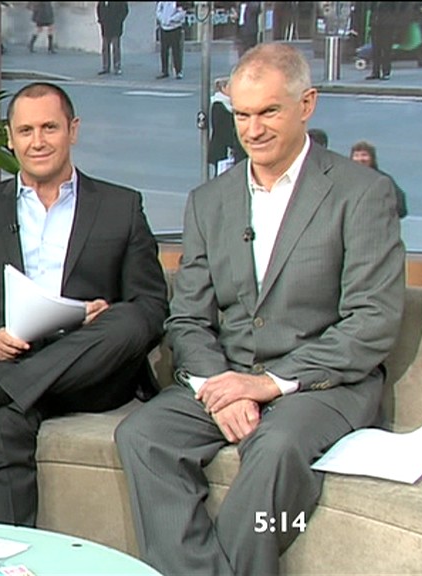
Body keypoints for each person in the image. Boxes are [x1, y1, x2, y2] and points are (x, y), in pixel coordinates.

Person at [116, 42, 406, 575]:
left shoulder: (362, 193)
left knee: (274, 448)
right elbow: (189, 318)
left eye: (269, 112)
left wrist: (267, 384)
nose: (253, 130)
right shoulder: (210, 200)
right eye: (242, 115)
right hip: (228, 374)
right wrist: (217, 385)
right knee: (144, 435)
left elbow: (372, 321)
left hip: (323, 386)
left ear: (307, 104)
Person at [0, 81, 170, 527]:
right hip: (8, 358)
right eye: (26, 130)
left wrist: (100, 317)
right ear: (10, 138)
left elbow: (151, 306)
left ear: (73, 130)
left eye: (50, 127)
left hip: (91, 370)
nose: (38, 141)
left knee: (128, 317)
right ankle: (14, 557)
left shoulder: (121, 206)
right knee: (3, 419)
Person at [350, 140, 408, 218]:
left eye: (364, 155)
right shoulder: (345, 179)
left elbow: (401, 209)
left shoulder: (383, 180)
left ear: (372, 158)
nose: (360, 159)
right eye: (356, 155)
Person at [208, 76, 246, 177]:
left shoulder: (229, 104)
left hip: (229, 148)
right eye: (230, 87)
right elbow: (221, 128)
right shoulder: (219, 104)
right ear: (223, 88)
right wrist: (232, 144)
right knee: (222, 175)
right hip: (222, 148)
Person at [96, 2, 129, 75]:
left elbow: (125, 10)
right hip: (105, 26)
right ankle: (105, 67)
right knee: (105, 48)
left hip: (116, 26)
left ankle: (117, 67)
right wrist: (101, 19)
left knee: (116, 47)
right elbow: (99, 8)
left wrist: (119, 20)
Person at [156, 1, 186, 79]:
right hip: (164, 28)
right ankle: (164, 71)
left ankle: (178, 71)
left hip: (175, 28)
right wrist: (162, 19)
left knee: (176, 50)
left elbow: (182, 13)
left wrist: (171, 19)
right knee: (164, 51)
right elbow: (158, 10)